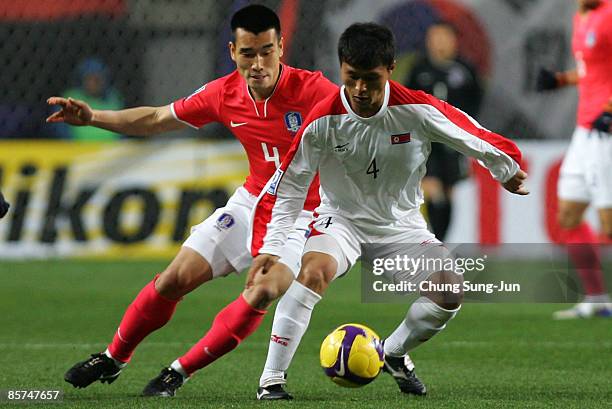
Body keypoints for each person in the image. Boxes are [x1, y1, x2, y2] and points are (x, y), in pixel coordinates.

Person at [207, 22, 526, 400]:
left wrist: (505, 169)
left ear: (390, 69)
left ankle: (392, 353)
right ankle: (271, 381)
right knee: (312, 272)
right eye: (351, 77)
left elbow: (469, 133)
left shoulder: (416, 109)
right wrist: (273, 246)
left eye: (370, 79)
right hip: (340, 221)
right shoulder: (322, 119)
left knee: (449, 290)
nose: (360, 89)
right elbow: (290, 187)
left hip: (402, 229)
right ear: (341, 68)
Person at [45, 4, 346, 398]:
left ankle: (178, 371)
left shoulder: (314, 90)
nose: (258, 64)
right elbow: (155, 119)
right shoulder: (224, 93)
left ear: (281, 47)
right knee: (173, 279)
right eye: (248, 53)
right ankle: (113, 357)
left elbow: (366, 126)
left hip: (300, 215)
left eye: (266, 52)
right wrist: (93, 118)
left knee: (265, 289)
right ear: (232, 51)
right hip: (250, 203)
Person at [536, 0, 612, 319]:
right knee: (567, 215)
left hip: (606, 130)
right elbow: (593, 70)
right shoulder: (583, 15)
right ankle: (596, 299)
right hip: (585, 131)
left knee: (608, 225)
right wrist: (562, 80)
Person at [405, 22, 483, 240]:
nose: (438, 42)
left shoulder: (465, 70)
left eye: (443, 37)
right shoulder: (419, 69)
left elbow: (476, 100)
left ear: (454, 40)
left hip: (454, 140)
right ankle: (435, 244)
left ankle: (441, 241)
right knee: (431, 186)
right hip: (425, 140)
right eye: (434, 37)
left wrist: (469, 130)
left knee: (448, 191)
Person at [60, 58, 124, 141]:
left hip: (109, 148)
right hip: (77, 147)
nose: (92, 83)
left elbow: (123, 128)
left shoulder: (114, 99)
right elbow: (62, 130)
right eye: (89, 79)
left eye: (96, 79)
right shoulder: (71, 98)